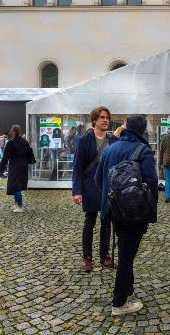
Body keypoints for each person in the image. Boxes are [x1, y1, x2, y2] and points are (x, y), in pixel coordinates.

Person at [95, 115, 158, 316]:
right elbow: (152, 182)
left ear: (126, 128)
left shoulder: (110, 149)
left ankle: (128, 289)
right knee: (126, 256)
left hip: (113, 210)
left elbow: (98, 180)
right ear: (143, 130)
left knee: (124, 250)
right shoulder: (143, 150)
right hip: (135, 211)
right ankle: (119, 302)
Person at [72, 107, 118, 272]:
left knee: (106, 222)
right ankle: (87, 258)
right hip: (90, 186)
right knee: (89, 222)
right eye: (102, 117)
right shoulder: (84, 140)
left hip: (108, 187)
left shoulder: (113, 140)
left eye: (107, 117)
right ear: (94, 120)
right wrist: (77, 190)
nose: (105, 120)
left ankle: (105, 256)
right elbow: (77, 166)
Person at [0, 125, 36, 213]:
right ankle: (16, 204)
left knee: (16, 186)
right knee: (17, 186)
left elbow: (6, 157)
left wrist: (1, 167)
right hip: (23, 166)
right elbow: (29, 154)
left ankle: (19, 206)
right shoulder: (25, 142)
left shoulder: (11, 143)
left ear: (13, 132)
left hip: (15, 166)